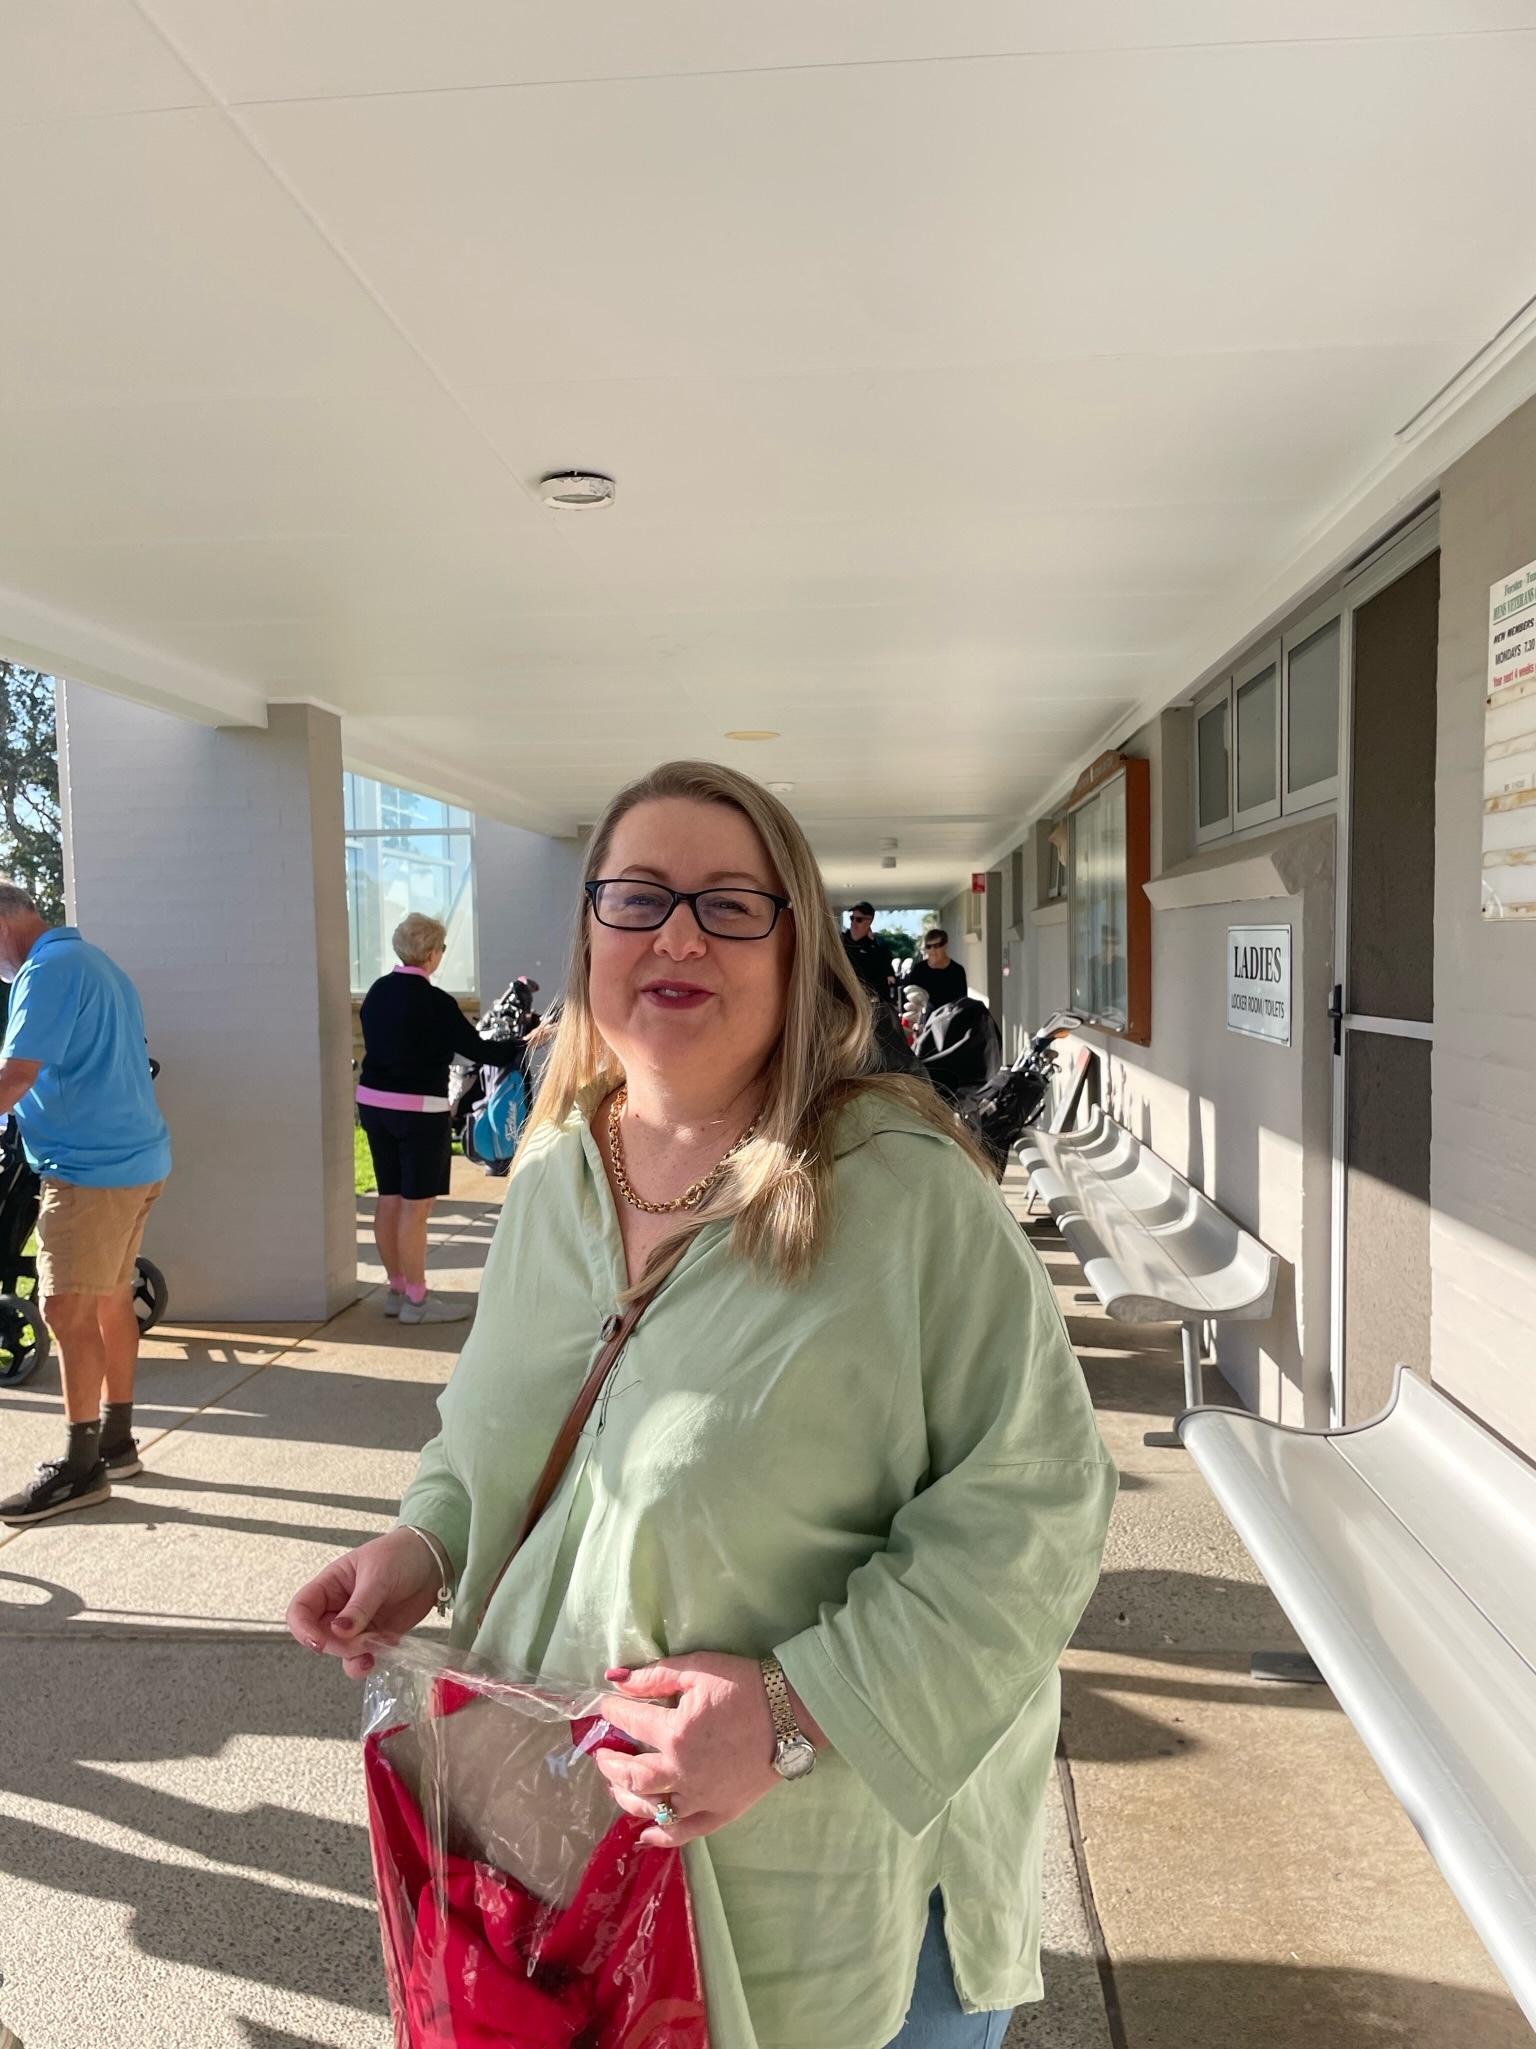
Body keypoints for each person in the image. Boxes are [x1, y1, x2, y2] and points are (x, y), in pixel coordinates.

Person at [288, 762, 1115, 2049]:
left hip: (818, 1894)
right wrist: (425, 1542)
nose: (677, 935)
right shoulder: (555, 1168)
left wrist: (792, 1711)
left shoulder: (905, 1194)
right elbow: (490, 1422)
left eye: (730, 905)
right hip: (554, 1853)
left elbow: (1039, 1507)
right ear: (591, 936)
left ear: (799, 952)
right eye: (638, 898)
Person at [0, 884, 171, 1526]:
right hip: (136, 1159)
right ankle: (115, 1443)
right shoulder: (97, 962)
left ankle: (80, 1468)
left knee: (64, 1309)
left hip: (88, 1170)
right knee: (108, 1299)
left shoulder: (46, 971)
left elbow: (17, 1076)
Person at [357, 913, 521, 1325]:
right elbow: (480, 1051)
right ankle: (417, 1302)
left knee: (389, 1198)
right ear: (431, 953)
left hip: (373, 1105)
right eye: (442, 948)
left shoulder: (377, 992)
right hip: (417, 1112)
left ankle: (397, 1289)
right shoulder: (435, 1002)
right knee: (416, 1207)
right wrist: (527, 1042)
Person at [905, 927, 969, 1013]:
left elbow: (962, 1002)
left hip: (949, 1017)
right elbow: (910, 997)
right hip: (924, 1018)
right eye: (928, 946)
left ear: (945, 946)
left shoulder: (957, 971)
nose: (932, 950)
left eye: (937, 946)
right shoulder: (919, 970)